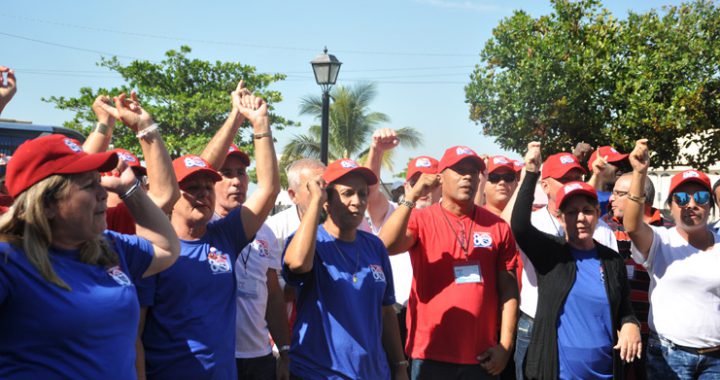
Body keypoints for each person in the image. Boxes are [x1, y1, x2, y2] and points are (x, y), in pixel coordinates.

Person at [0, 133, 180, 379]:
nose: (103, 191)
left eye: (100, 180)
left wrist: (130, 190)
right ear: (47, 203)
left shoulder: (109, 246)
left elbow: (167, 248)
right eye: (88, 185)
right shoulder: (8, 260)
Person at [139, 84, 280, 380]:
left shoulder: (223, 236)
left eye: (207, 187)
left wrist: (260, 124)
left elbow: (267, 189)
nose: (203, 194)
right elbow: (134, 335)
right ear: (171, 195)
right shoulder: (152, 248)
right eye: (192, 188)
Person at [380, 145, 519, 379]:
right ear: (440, 177)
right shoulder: (421, 219)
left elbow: (509, 290)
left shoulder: (498, 226)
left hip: (482, 357)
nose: (467, 177)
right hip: (430, 354)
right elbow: (385, 247)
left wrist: (505, 346)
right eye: (459, 170)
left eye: (473, 172)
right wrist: (412, 196)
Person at [511, 142, 641, 380]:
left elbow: (624, 309)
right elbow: (519, 226)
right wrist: (530, 172)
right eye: (571, 212)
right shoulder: (550, 254)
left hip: (605, 372)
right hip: (557, 372)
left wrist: (631, 324)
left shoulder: (612, 260)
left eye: (587, 211)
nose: (580, 218)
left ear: (596, 214)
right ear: (561, 219)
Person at [282, 158, 407, 379]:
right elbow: (298, 263)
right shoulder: (310, 242)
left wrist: (399, 365)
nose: (357, 201)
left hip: (373, 373)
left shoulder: (374, 246)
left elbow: (387, 311)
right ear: (327, 199)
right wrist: (314, 203)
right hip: (319, 372)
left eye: (362, 193)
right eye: (348, 193)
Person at [623, 139, 720, 379]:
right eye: (682, 199)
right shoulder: (660, 241)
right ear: (670, 206)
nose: (692, 204)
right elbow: (633, 226)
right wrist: (639, 173)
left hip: (716, 360)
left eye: (700, 197)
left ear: (710, 206)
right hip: (669, 356)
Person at [209, 142, 291, 379]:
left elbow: (274, 295)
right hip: (217, 357)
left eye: (241, 173)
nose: (236, 181)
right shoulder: (203, 227)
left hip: (259, 356)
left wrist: (284, 351)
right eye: (226, 174)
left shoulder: (265, 231)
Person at [602, 172, 671, 380]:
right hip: (614, 333)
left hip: (656, 337)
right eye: (612, 192)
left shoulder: (669, 232)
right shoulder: (604, 228)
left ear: (639, 196)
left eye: (619, 193)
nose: (611, 199)